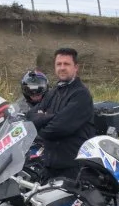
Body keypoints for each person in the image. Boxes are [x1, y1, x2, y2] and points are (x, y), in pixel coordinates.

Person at [28, 48, 97, 181]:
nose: (62, 68)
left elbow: (56, 129)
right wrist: (50, 117)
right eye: (59, 64)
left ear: (76, 67)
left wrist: (42, 122)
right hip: (49, 164)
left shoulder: (81, 94)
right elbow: (30, 116)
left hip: (72, 167)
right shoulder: (54, 91)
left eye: (66, 64)